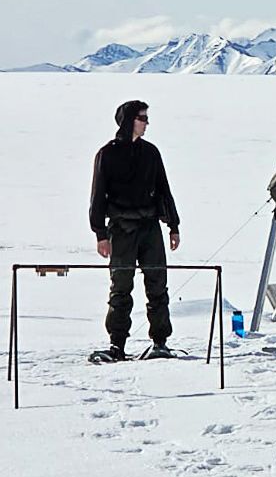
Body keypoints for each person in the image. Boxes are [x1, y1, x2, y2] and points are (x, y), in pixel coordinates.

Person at [88, 100, 181, 362]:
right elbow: (98, 196)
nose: (146, 122)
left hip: (150, 227)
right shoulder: (107, 154)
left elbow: (164, 189)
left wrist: (173, 225)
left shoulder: (151, 152)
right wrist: (100, 234)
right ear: (129, 120)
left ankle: (160, 342)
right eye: (142, 118)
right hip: (121, 229)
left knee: (157, 286)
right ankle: (117, 345)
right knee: (120, 288)